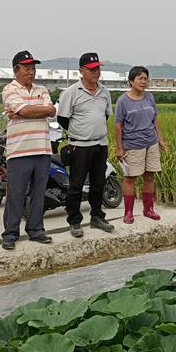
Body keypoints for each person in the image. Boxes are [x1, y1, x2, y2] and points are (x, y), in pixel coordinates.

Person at [1, 51, 56, 249]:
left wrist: (26, 111)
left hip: (42, 149)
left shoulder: (42, 89)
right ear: (16, 70)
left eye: (33, 68)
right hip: (19, 151)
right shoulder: (9, 89)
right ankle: (10, 233)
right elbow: (25, 110)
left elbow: (51, 110)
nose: (31, 72)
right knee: (16, 193)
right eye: (27, 68)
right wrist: (34, 110)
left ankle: (36, 229)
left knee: (39, 193)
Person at [57, 52, 115, 237]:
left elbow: (105, 116)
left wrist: (94, 130)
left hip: (100, 144)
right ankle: (74, 221)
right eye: (91, 69)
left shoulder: (105, 92)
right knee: (76, 184)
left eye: (98, 68)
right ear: (81, 71)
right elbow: (62, 119)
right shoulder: (71, 92)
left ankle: (97, 216)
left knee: (98, 183)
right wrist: (80, 133)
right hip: (79, 146)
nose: (96, 72)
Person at [114, 66, 168, 224]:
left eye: (145, 78)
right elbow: (118, 125)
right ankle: (128, 212)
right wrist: (119, 147)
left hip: (150, 143)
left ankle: (148, 209)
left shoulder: (149, 97)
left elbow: (155, 119)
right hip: (133, 144)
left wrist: (161, 140)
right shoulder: (123, 101)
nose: (143, 82)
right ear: (131, 81)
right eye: (140, 78)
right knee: (130, 178)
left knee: (150, 176)